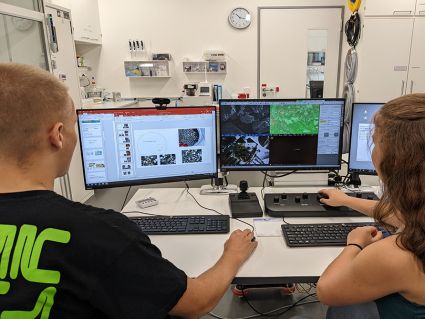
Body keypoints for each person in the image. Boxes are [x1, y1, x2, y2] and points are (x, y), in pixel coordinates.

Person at [0, 63, 257, 318]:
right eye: (72, 126)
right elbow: (197, 302)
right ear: (58, 135)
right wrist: (233, 254)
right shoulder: (98, 233)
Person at [316, 94, 425, 318]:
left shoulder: (400, 254)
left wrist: (355, 244)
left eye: (375, 140)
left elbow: (326, 290)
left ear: (396, 162)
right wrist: (345, 200)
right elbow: (401, 215)